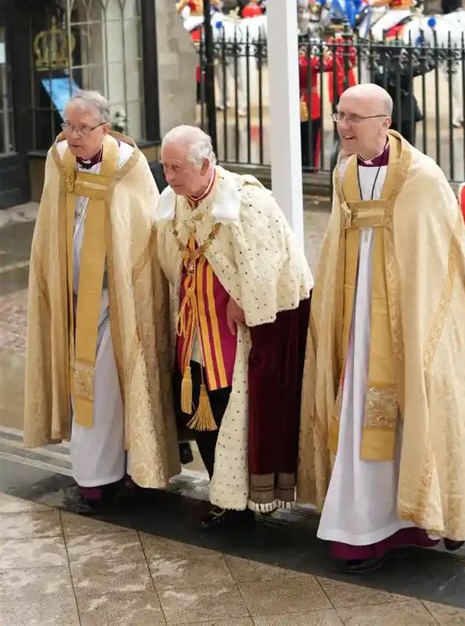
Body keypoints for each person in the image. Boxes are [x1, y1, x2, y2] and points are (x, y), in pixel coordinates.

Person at [298, 83, 465, 573]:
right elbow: (335, 248)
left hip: (409, 327)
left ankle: (426, 517)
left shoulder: (421, 178)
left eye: (355, 117)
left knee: (421, 412)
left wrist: (423, 327)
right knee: (360, 417)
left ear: (384, 124)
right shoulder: (343, 174)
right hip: (360, 326)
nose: (343, 126)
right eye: (340, 115)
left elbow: (443, 257)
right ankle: (364, 531)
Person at [24, 90, 180, 514]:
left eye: (83, 128)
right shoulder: (58, 160)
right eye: (67, 125)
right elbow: (51, 225)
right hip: (72, 300)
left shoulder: (128, 166)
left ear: (105, 129)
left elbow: (143, 228)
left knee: (111, 388)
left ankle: (112, 475)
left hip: (117, 301)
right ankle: (94, 475)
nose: (73, 136)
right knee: (83, 386)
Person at [156, 125, 313, 528]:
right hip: (194, 324)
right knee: (197, 409)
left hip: (232, 333)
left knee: (230, 410)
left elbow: (271, 260)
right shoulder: (174, 199)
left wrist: (247, 301)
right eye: (165, 167)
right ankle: (220, 492)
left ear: (205, 164)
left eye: (176, 168)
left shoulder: (247, 200)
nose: (168, 178)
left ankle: (239, 499)